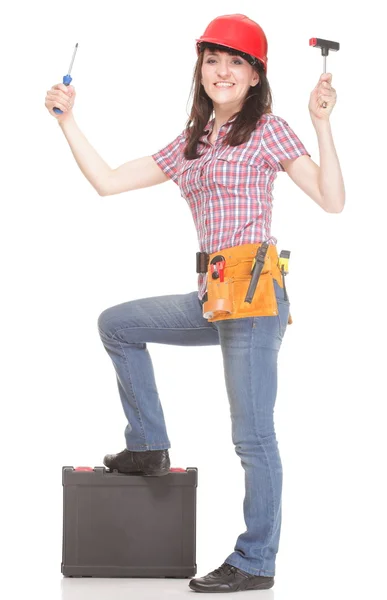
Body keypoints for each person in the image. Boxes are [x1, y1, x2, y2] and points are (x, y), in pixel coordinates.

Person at [45, 13, 344, 594]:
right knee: (118, 325)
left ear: (255, 76)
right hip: (213, 299)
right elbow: (107, 180)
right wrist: (67, 121)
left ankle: (256, 561)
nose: (222, 71)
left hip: (256, 300)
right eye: (213, 60)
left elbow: (332, 200)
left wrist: (321, 123)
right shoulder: (191, 142)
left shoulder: (271, 130)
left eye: (236, 62)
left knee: (252, 438)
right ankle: (148, 445)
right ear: (201, 70)